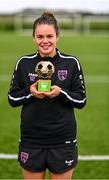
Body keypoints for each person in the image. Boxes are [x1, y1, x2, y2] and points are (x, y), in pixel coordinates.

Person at [8, 11, 86, 180]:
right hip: (31, 140)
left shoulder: (71, 62)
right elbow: (12, 99)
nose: (45, 41)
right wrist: (30, 92)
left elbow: (81, 100)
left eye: (49, 36)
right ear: (34, 38)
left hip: (62, 141)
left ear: (57, 37)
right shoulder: (24, 63)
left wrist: (60, 93)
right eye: (40, 36)